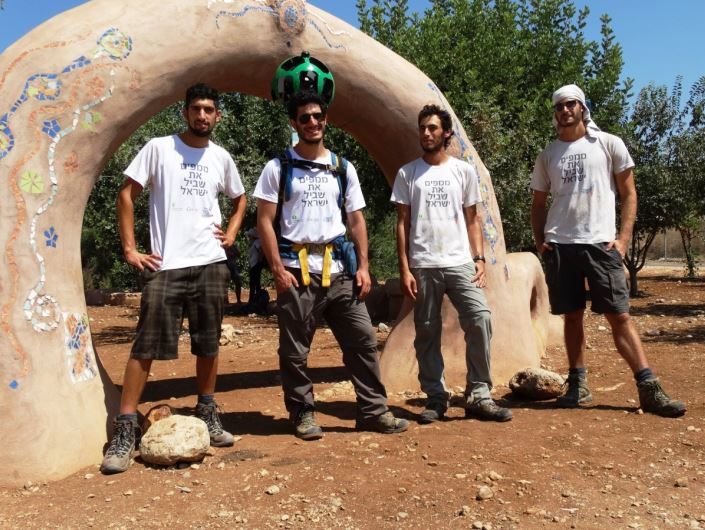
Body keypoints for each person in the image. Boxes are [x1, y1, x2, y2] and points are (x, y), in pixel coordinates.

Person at [101, 83, 247, 474]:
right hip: (165, 264)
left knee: (208, 343)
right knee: (145, 344)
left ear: (218, 116)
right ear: (185, 113)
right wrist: (131, 249)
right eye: (196, 108)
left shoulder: (221, 157)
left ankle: (207, 410)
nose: (202, 115)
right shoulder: (158, 148)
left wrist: (231, 233)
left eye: (209, 110)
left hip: (211, 262)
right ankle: (126, 428)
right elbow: (126, 195)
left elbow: (240, 198)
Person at [254, 90, 408, 440]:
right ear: (294, 123)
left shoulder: (342, 167)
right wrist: (276, 267)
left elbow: (356, 220)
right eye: (305, 117)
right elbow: (265, 220)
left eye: (318, 116)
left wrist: (364, 266)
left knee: (363, 341)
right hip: (296, 271)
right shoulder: (277, 168)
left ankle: (372, 410)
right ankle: (303, 412)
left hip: (340, 272)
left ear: (326, 120)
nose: (313, 122)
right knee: (294, 351)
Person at [530, 84, 686, 417]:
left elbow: (629, 193)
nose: (564, 111)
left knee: (620, 316)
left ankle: (648, 388)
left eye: (570, 104)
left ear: (582, 107)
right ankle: (578, 385)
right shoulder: (549, 154)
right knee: (571, 315)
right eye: (558, 107)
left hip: (600, 243)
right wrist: (540, 239)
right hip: (561, 245)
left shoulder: (608, 143)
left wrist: (624, 240)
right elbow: (538, 203)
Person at [391, 104, 513, 424]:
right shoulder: (408, 173)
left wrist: (480, 258)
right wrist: (404, 268)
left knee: (480, 317)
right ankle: (436, 396)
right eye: (422, 128)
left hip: (460, 262)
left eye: (432, 128)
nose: (426, 133)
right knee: (427, 331)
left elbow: (473, 220)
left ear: (446, 133)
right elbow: (402, 223)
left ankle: (479, 393)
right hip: (424, 264)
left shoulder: (463, 171)